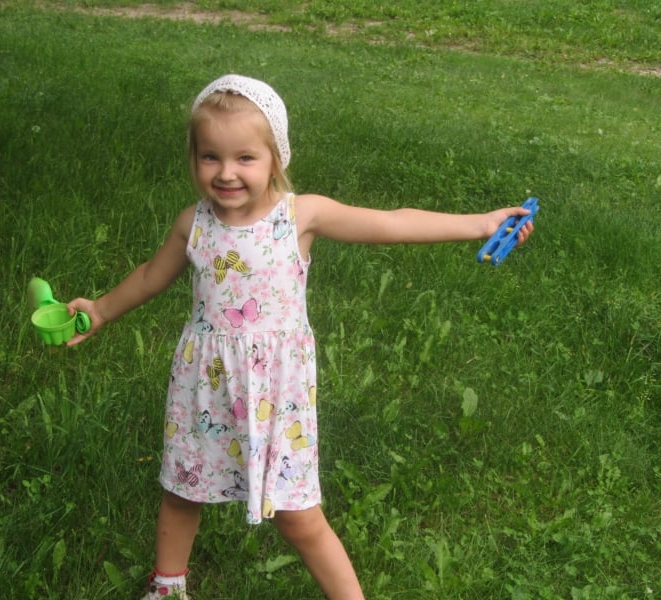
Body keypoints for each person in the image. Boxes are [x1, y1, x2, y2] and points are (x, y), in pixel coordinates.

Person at [66, 74, 534, 600]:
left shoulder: (300, 216)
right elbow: (151, 276)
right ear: (193, 158)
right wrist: (100, 310)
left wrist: (480, 224)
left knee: (298, 514)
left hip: (277, 394)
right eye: (210, 157)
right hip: (205, 385)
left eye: (245, 157)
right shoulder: (192, 224)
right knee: (183, 490)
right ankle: (167, 589)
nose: (226, 172)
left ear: (276, 158)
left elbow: (391, 223)